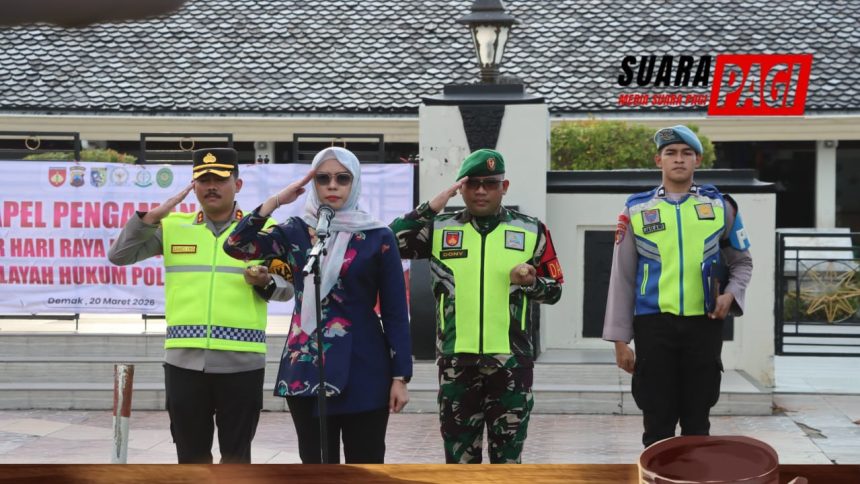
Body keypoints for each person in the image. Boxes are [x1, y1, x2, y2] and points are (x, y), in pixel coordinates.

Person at [222, 146, 412, 464]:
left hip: (364, 367)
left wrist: (400, 377)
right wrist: (275, 201)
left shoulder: (378, 236)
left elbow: (395, 312)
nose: (332, 185)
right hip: (307, 366)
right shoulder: (295, 230)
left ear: (355, 182)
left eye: (342, 178)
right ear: (313, 183)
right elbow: (236, 246)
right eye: (323, 178)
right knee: (316, 467)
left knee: (365, 466)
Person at [108, 147, 293, 463]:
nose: (211, 187)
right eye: (203, 180)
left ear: (237, 184)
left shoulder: (265, 230)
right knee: (191, 458)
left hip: (242, 362)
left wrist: (265, 281)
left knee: (236, 460)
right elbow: (119, 256)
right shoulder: (172, 226)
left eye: (220, 179)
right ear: (193, 186)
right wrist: (151, 218)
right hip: (184, 363)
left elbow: (287, 289)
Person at [390, 148, 564, 464]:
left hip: (511, 366)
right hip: (457, 364)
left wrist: (531, 282)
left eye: (490, 183)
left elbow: (554, 290)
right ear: (461, 188)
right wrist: (432, 206)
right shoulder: (441, 229)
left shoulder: (530, 230)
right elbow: (390, 241)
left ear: (504, 187)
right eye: (472, 183)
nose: (481, 190)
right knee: (459, 469)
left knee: (507, 468)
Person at [602, 125, 754, 448]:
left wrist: (730, 295)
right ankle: (657, 473)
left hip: (704, 326)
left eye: (687, 153)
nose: (679, 159)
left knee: (698, 422)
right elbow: (622, 276)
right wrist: (619, 340)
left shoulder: (720, 207)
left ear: (697, 159)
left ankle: (694, 472)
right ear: (659, 160)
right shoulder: (636, 210)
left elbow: (742, 263)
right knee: (657, 422)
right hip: (653, 326)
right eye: (670, 153)